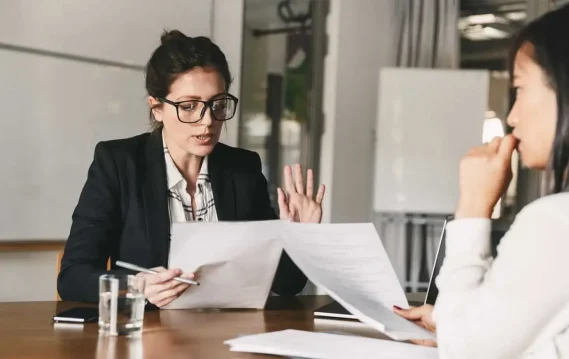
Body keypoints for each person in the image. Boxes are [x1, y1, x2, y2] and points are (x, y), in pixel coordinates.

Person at [57, 30, 325, 308]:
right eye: (189, 106)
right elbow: (72, 277)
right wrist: (137, 286)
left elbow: (287, 286)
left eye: (217, 104)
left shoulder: (242, 169)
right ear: (157, 107)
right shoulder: (118, 163)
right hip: (151, 339)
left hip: (227, 338)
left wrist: (299, 236)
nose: (207, 121)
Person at [394, 4, 569, 358]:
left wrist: (473, 207)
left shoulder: (555, 220)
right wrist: (454, 322)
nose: (512, 116)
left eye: (519, 89)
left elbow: (467, 352)